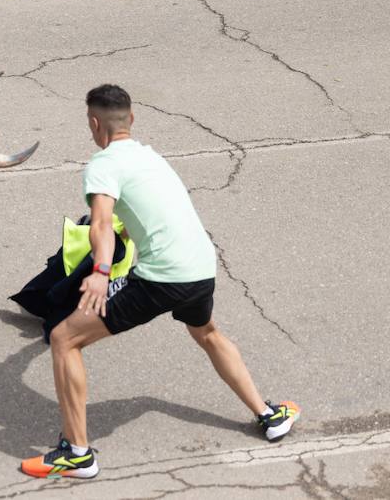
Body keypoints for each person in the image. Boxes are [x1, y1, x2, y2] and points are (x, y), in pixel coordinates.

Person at [20, 84, 298, 480]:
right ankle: (269, 416)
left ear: (94, 124)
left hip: (162, 278)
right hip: (201, 267)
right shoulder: (151, 157)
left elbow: (100, 222)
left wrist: (100, 274)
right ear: (131, 120)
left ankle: (78, 454)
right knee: (207, 333)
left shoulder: (103, 164)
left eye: (90, 124)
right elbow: (155, 209)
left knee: (66, 339)